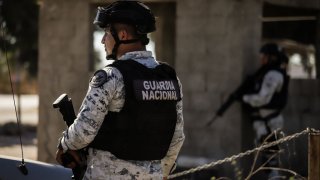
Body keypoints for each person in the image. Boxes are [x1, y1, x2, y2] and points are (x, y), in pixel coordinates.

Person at [55, 1, 185, 179]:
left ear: (122, 35)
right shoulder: (169, 77)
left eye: (107, 33)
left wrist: (64, 144)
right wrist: (159, 172)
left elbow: (83, 132)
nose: (102, 40)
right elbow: (177, 138)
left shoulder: (111, 76)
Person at [241, 43, 289, 178]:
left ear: (271, 58)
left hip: (271, 121)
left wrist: (245, 98)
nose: (261, 60)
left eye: (264, 57)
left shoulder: (273, 74)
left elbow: (263, 98)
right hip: (266, 122)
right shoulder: (266, 73)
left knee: (270, 160)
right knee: (268, 159)